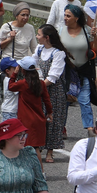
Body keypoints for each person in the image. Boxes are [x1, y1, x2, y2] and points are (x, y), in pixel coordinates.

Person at [60, 4, 97, 135]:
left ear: (77, 18)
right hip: (66, 72)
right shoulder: (60, 30)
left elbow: (96, 50)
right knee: (65, 101)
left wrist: (94, 36)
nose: (65, 18)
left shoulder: (87, 30)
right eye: (65, 15)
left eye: (68, 16)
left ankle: (90, 128)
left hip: (83, 71)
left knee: (84, 99)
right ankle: (61, 128)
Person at [36, 25, 71, 164]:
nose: (37, 37)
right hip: (40, 87)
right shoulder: (38, 49)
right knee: (39, 118)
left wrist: (40, 87)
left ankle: (50, 151)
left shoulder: (58, 53)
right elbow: (35, 65)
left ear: (47, 38)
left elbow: (53, 76)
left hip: (54, 92)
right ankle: (38, 146)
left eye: (39, 35)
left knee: (53, 120)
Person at [8, 56, 51, 165]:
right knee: (35, 147)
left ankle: (27, 171)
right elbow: (47, 100)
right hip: (38, 120)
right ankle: (41, 172)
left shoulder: (23, 83)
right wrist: (49, 113)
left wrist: (14, 74)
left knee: (23, 146)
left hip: (26, 120)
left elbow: (11, 86)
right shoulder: (41, 83)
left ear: (23, 70)